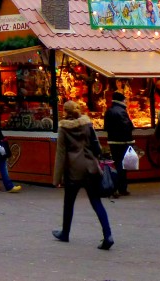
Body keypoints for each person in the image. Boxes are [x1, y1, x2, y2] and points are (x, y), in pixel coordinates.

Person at [52, 100, 114, 250]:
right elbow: (96, 146)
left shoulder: (64, 128)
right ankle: (108, 235)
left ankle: (65, 233)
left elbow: (60, 154)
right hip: (90, 168)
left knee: (69, 203)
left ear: (65, 112)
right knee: (96, 202)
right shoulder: (87, 124)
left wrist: (56, 178)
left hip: (73, 171)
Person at [103, 91, 134, 197]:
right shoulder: (122, 111)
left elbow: (105, 127)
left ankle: (114, 186)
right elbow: (128, 126)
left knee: (116, 163)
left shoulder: (109, 111)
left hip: (112, 141)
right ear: (121, 100)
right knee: (122, 165)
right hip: (123, 141)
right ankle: (121, 187)